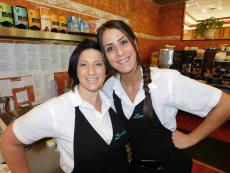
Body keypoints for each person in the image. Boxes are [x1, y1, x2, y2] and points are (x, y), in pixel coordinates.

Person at [97, 20, 230, 173]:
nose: (119, 52)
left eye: (123, 42)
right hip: (139, 165)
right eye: (110, 48)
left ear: (135, 43)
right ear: (105, 56)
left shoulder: (166, 81)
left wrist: (191, 138)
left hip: (171, 166)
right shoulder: (109, 88)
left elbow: (226, 103)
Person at [1, 39, 130, 173]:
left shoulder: (111, 100)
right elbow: (9, 141)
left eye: (98, 64)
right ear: (75, 70)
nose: (91, 72)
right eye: (83, 65)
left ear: (106, 70)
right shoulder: (56, 109)